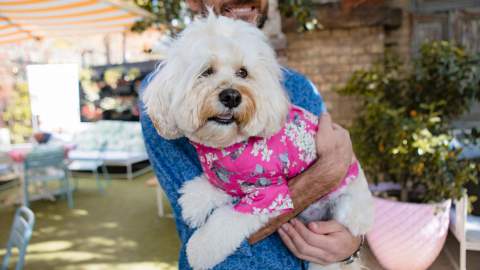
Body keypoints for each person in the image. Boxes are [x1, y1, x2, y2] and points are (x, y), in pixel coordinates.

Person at [140, 0, 361, 269]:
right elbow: (206, 235)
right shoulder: (170, 93)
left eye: (242, 73)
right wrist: (323, 175)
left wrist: (352, 245)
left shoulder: (301, 88)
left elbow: (346, 189)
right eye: (207, 71)